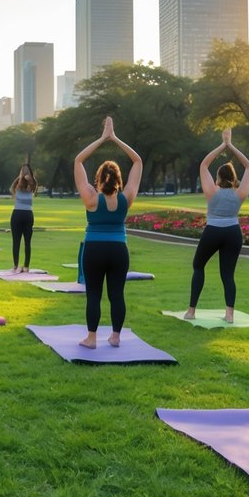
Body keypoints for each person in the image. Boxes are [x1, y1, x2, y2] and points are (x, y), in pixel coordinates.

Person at [74, 116, 143, 349]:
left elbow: (78, 161)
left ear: (99, 178)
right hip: (118, 250)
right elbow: (137, 161)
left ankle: (91, 339)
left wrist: (102, 139)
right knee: (117, 295)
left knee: (94, 294)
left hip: (94, 249)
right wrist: (115, 139)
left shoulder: (91, 198)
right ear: (118, 179)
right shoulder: (126, 198)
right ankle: (115, 336)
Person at [186, 130, 249, 323]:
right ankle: (229, 314)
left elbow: (204, 164)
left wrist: (223, 145)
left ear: (218, 177)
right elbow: (248, 167)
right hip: (233, 232)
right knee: (227, 274)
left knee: (198, 266)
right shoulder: (240, 193)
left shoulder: (211, 191)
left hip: (213, 231)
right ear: (233, 178)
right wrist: (231, 146)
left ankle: (191, 311)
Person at [10, 162, 38, 273]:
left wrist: (28, 176)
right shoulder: (18, 184)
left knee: (27, 242)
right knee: (16, 242)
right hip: (17, 214)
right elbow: (11, 188)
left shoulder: (32, 184)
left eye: (27, 170)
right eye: (23, 170)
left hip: (27, 215)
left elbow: (32, 184)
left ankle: (26, 266)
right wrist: (20, 176)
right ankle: (16, 266)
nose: (25, 172)